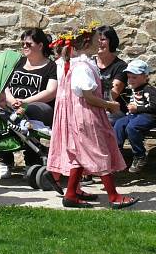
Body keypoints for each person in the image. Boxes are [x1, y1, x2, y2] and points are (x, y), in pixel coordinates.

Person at [47, 23, 138, 209]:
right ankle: (113, 196)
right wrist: (109, 105)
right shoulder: (82, 67)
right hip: (86, 116)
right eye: (98, 39)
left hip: (81, 115)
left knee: (80, 155)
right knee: (100, 152)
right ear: (88, 43)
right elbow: (87, 97)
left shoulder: (78, 64)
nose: (101, 42)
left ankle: (71, 194)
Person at [0, 28, 58, 177]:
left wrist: (25, 102)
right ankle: (6, 160)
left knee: (27, 112)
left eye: (28, 44)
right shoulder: (18, 63)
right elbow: (3, 84)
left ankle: (31, 160)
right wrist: (12, 100)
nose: (24, 46)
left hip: (40, 107)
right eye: (23, 43)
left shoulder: (51, 67)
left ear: (40, 45)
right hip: (12, 103)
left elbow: (51, 91)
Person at [113, 59, 156, 173]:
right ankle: (116, 153)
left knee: (132, 127)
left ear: (145, 76)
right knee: (119, 124)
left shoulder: (149, 90)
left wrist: (137, 108)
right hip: (134, 116)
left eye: (134, 77)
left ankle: (140, 155)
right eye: (129, 77)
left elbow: (155, 107)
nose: (130, 80)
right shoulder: (133, 90)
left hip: (148, 116)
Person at [94, 25, 128, 123]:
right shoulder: (89, 63)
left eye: (103, 39)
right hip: (92, 106)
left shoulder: (121, 66)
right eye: (96, 40)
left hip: (111, 110)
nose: (99, 43)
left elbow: (113, 94)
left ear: (111, 41)